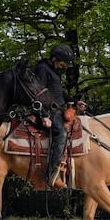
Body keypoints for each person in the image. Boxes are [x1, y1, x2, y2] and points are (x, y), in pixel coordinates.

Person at [35, 44, 87, 188]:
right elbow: (38, 94)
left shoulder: (54, 71)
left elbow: (58, 93)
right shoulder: (42, 69)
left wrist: (75, 102)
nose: (64, 66)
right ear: (55, 59)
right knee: (61, 133)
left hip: (57, 110)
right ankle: (52, 174)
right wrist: (44, 115)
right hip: (48, 111)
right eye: (63, 63)